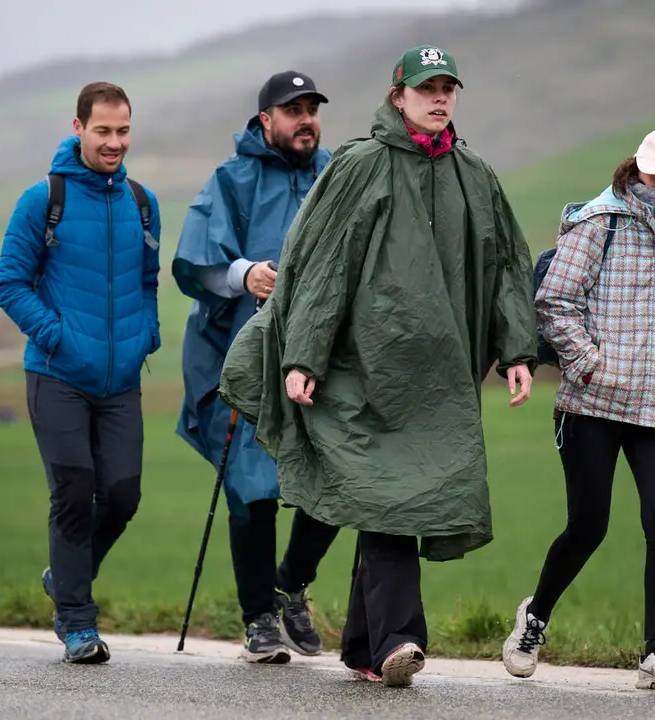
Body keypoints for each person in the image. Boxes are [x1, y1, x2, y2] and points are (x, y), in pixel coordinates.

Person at [218, 45, 539, 687]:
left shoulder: (474, 173)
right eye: (426, 88)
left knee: (384, 495)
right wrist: (302, 355)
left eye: (448, 87)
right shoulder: (361, 167)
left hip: (440, 380)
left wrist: (518, 349)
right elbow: (320, 266)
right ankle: (400, 639)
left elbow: (504, 264)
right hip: (359, 373)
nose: (439, 97)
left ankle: (365, 647)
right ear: (399, 97)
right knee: (389, 496)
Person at [500, 127, 655, 691]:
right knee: (588, 527)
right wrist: (592, 364)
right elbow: (554, 302)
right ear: (638, 168)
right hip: (591, 405)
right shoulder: (600, 222)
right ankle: (534, 619)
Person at [172, 71, 342, 664]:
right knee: (251, 486)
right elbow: (196, 260)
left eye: (311, 108)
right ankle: (259, 621)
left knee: (339, 475)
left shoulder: (334, 175)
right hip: (241, 356)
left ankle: (290, 582)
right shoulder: (232, 177)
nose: (305, 119)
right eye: (291, 110)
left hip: (323, 358)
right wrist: (243, 273)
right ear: (265, 120)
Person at [0, 81, 162, 665]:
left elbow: (147, 280)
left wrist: (149, 334)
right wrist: (58, 337)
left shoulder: (143, 202)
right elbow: (9, 285)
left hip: (121, 380)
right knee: (72, 492)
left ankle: (64, 577)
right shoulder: (43, 199)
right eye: (103, 131)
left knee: (121, 495)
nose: (114, 142)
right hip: (57, 374)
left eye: (123, 131)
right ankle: (76, 623)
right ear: (78, 128)